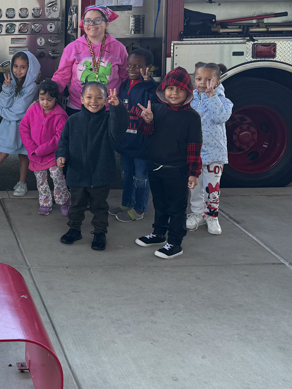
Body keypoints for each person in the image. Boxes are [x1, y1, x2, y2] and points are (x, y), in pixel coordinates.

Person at [134, 67, 203, 259]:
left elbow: (194, 147)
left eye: (179, 90)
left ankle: (174, 242)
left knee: (177, 208)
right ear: (163, 89)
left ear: (188, 93)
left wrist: (193, 173)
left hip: (177, 171)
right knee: (160, 203)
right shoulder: (155, 109)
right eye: (170, 88)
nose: (174, 93)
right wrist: (147, 121)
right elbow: (145, 134)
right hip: (155, 167)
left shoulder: (192, 117)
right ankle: (158, 233)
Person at [56, 83, 129, 251]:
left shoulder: (109, 120)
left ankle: (99, 233)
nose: (93, 101)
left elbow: (120, 128)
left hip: (101, 174)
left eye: (99, 98)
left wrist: (117, 108)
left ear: (105, 101)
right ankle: (74, 229)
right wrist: (61, 155)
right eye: (89, 97)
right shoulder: (73, 120)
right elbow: (64, 141)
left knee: (99, 206)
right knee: (76, 205)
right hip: (77, 172)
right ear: (81, 99)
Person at [0, 51, 40, 196]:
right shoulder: (11, 83)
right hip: (9, 126)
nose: (18, 70)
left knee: (24, 154)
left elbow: (19, 109)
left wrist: (2, 111)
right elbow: (3, 102)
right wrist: (6, 88)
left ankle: (22, 183)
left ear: (30, 69)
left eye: (23, 67)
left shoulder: (31, 87)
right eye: (15, 66)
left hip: (25, 126)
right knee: (3, 152)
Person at [53, 5, 128, 116]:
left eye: (97, 20)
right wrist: (49, 94)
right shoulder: (72, 48)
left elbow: (125, 77)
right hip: (77, 107)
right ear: (83, 24)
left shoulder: (119, 48)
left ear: (106, 24)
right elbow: (61, 76)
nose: (92, 24)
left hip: (109, 108)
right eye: (87, 21)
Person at [110, 49, 157, 222]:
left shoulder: (150, 88)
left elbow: (157, 102)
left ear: (148, 68)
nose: (131, 69)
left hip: (142, 144)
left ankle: (139, 209)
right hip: (125, 142)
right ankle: (126, 203)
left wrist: (148, 84)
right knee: (126, 174)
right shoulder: (123, 86)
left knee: (141, 177)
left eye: (138, 66)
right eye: (129, 65)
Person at [188, 62, 233, 235]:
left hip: (214, 153)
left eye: (208, 79)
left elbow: (221, 117)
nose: (202, 83)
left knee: (212, 188)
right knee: (195, 187)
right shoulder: (191, 99)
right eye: (199, 78)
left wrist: (211, 97)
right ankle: (197, 214)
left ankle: (212, 216)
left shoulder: (223, 101)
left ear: (217, 81)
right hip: (195, 153)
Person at [19, 79, 70, 216]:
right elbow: (24, 127)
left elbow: (60, 138)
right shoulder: (33, 110)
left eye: (49, 99)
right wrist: (31, 148)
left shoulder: (60, 115)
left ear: (56, 99)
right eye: (42, 99)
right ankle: (45, 202)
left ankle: (63, 199)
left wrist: (41, 150)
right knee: (40, 179)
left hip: (53, 154)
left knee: (56, 176)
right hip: (35, 154)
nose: (45, 103)